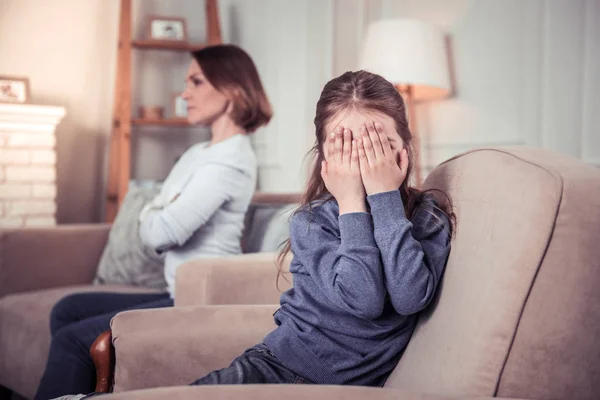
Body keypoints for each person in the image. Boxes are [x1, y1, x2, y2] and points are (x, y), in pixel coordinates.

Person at [34, 44, 272, 400]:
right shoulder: (198, 154)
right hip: (175, 288)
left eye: (196, 82)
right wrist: (159, 210)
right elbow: (158, 220)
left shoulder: (232, 161)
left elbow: (164, 232)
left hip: (198, 299)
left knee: (72, 341)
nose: (184, 93)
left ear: (231, 88)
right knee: (67, 309)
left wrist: (156, 211)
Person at [189, 70, 455, 386]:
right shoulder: (312, 222)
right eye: (345, 147)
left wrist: (384, 201)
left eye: (376, 147)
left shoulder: (426, 218)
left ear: (403, 152)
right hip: (277, 367)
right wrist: (352, 204)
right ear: (325, 159)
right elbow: (363, 299)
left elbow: (406, 298)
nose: (362, 162)